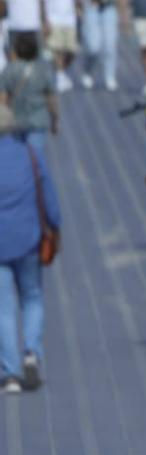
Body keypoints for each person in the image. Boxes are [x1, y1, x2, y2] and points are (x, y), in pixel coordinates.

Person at [0, 129, 59, 395]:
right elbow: (48, 196)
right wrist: (55, 226)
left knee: (3, 308)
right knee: (32, 296)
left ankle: (10, 374)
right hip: (29, 239)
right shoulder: (30, 154)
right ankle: (32, 352)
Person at [0, 31, 58, 156]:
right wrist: (54, 120)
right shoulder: (44, 70)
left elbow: (2, 100)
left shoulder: (8, 70)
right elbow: (51, 100)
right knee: (36, 160)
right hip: (38, 121)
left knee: (16, 158)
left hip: (14, 123)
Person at [78, 0, 119, 91]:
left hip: (108, 9)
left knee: (109, 45)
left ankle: (110, 75)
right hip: (93, 9)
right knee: (93, 46)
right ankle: (88, 71)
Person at [38, 0, 78, 90]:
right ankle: (60, 76)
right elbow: (42, 0)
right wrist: (45, 21)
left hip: (70, 19)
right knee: (58, 50)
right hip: (54, 19)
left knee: (72, 51)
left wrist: (79, 11)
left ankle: (60, 71)